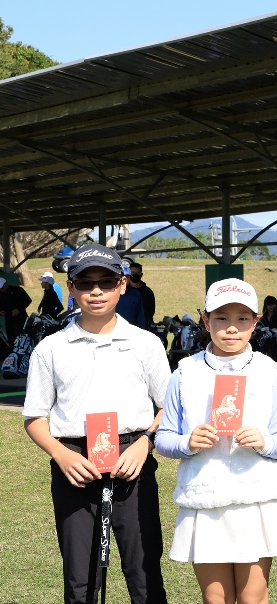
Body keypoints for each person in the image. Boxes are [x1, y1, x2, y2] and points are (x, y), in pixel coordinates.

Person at [21, 244, 170, 604]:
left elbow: (170, 408)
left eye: (106, 281)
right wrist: (61, 454)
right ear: (71, 288)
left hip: (132, 461)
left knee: (145, 574)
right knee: (80, 578)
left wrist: (145, 443)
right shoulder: (51, 348)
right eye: (85, 283)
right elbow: (34, 416)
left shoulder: (146, 344)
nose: (96, 291)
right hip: (75, 464)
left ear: (122, 285)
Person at [155, 278, 277, 604]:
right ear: (206, 320)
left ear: (255, 322)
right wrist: (188, 443)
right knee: (215, 598)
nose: (231, 328)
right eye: (221, 318)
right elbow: (164, 437)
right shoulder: (184, 373)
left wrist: (264, 442)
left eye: (242, 318)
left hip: (256, 497)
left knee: (252, 597)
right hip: (205, 498)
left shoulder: (268, 371)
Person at [0, 276, 32, 344]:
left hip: (20, 320)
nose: (1, 289)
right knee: (11, 340)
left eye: (2, 287)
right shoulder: (0, 294)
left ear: (6, 284)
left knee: (22, 340)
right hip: (9, 321)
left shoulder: (18, 290)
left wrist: (19, 309)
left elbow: (28, 300)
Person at [127, 263, 156, 330]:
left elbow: (151, 310)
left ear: (141, 274)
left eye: (137, 273)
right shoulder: (123, 291)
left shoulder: (148, 292)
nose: (135, 274)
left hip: (144, 326)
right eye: (133, 272)